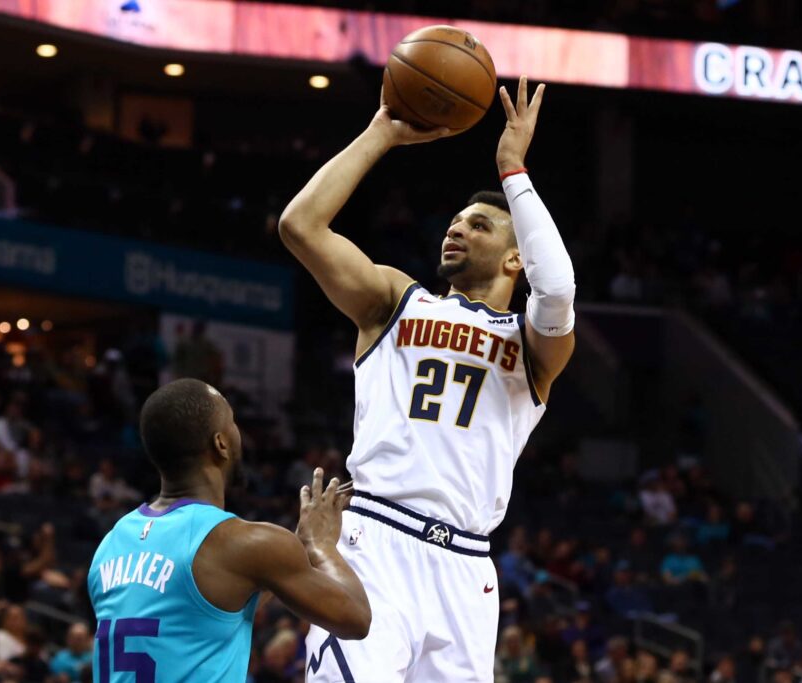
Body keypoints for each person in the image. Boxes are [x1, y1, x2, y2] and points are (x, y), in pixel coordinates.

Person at [280, 76, 576, 682]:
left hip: (467, 569)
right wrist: (380, 133)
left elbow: (560, 289)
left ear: (516, 257)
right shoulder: (394, 300)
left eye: (479, 225)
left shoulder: (533, 346)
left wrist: (513, 173)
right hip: (376, 543)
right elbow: (300, 226)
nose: (457, 228)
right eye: (455, 221)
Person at [87, 378, 371, 682]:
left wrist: (294, 550)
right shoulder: (237, 542)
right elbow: (356, 618)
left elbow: (212, 608)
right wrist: (320, 546)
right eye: (233, 423)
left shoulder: (112, 542)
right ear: (220, 443)